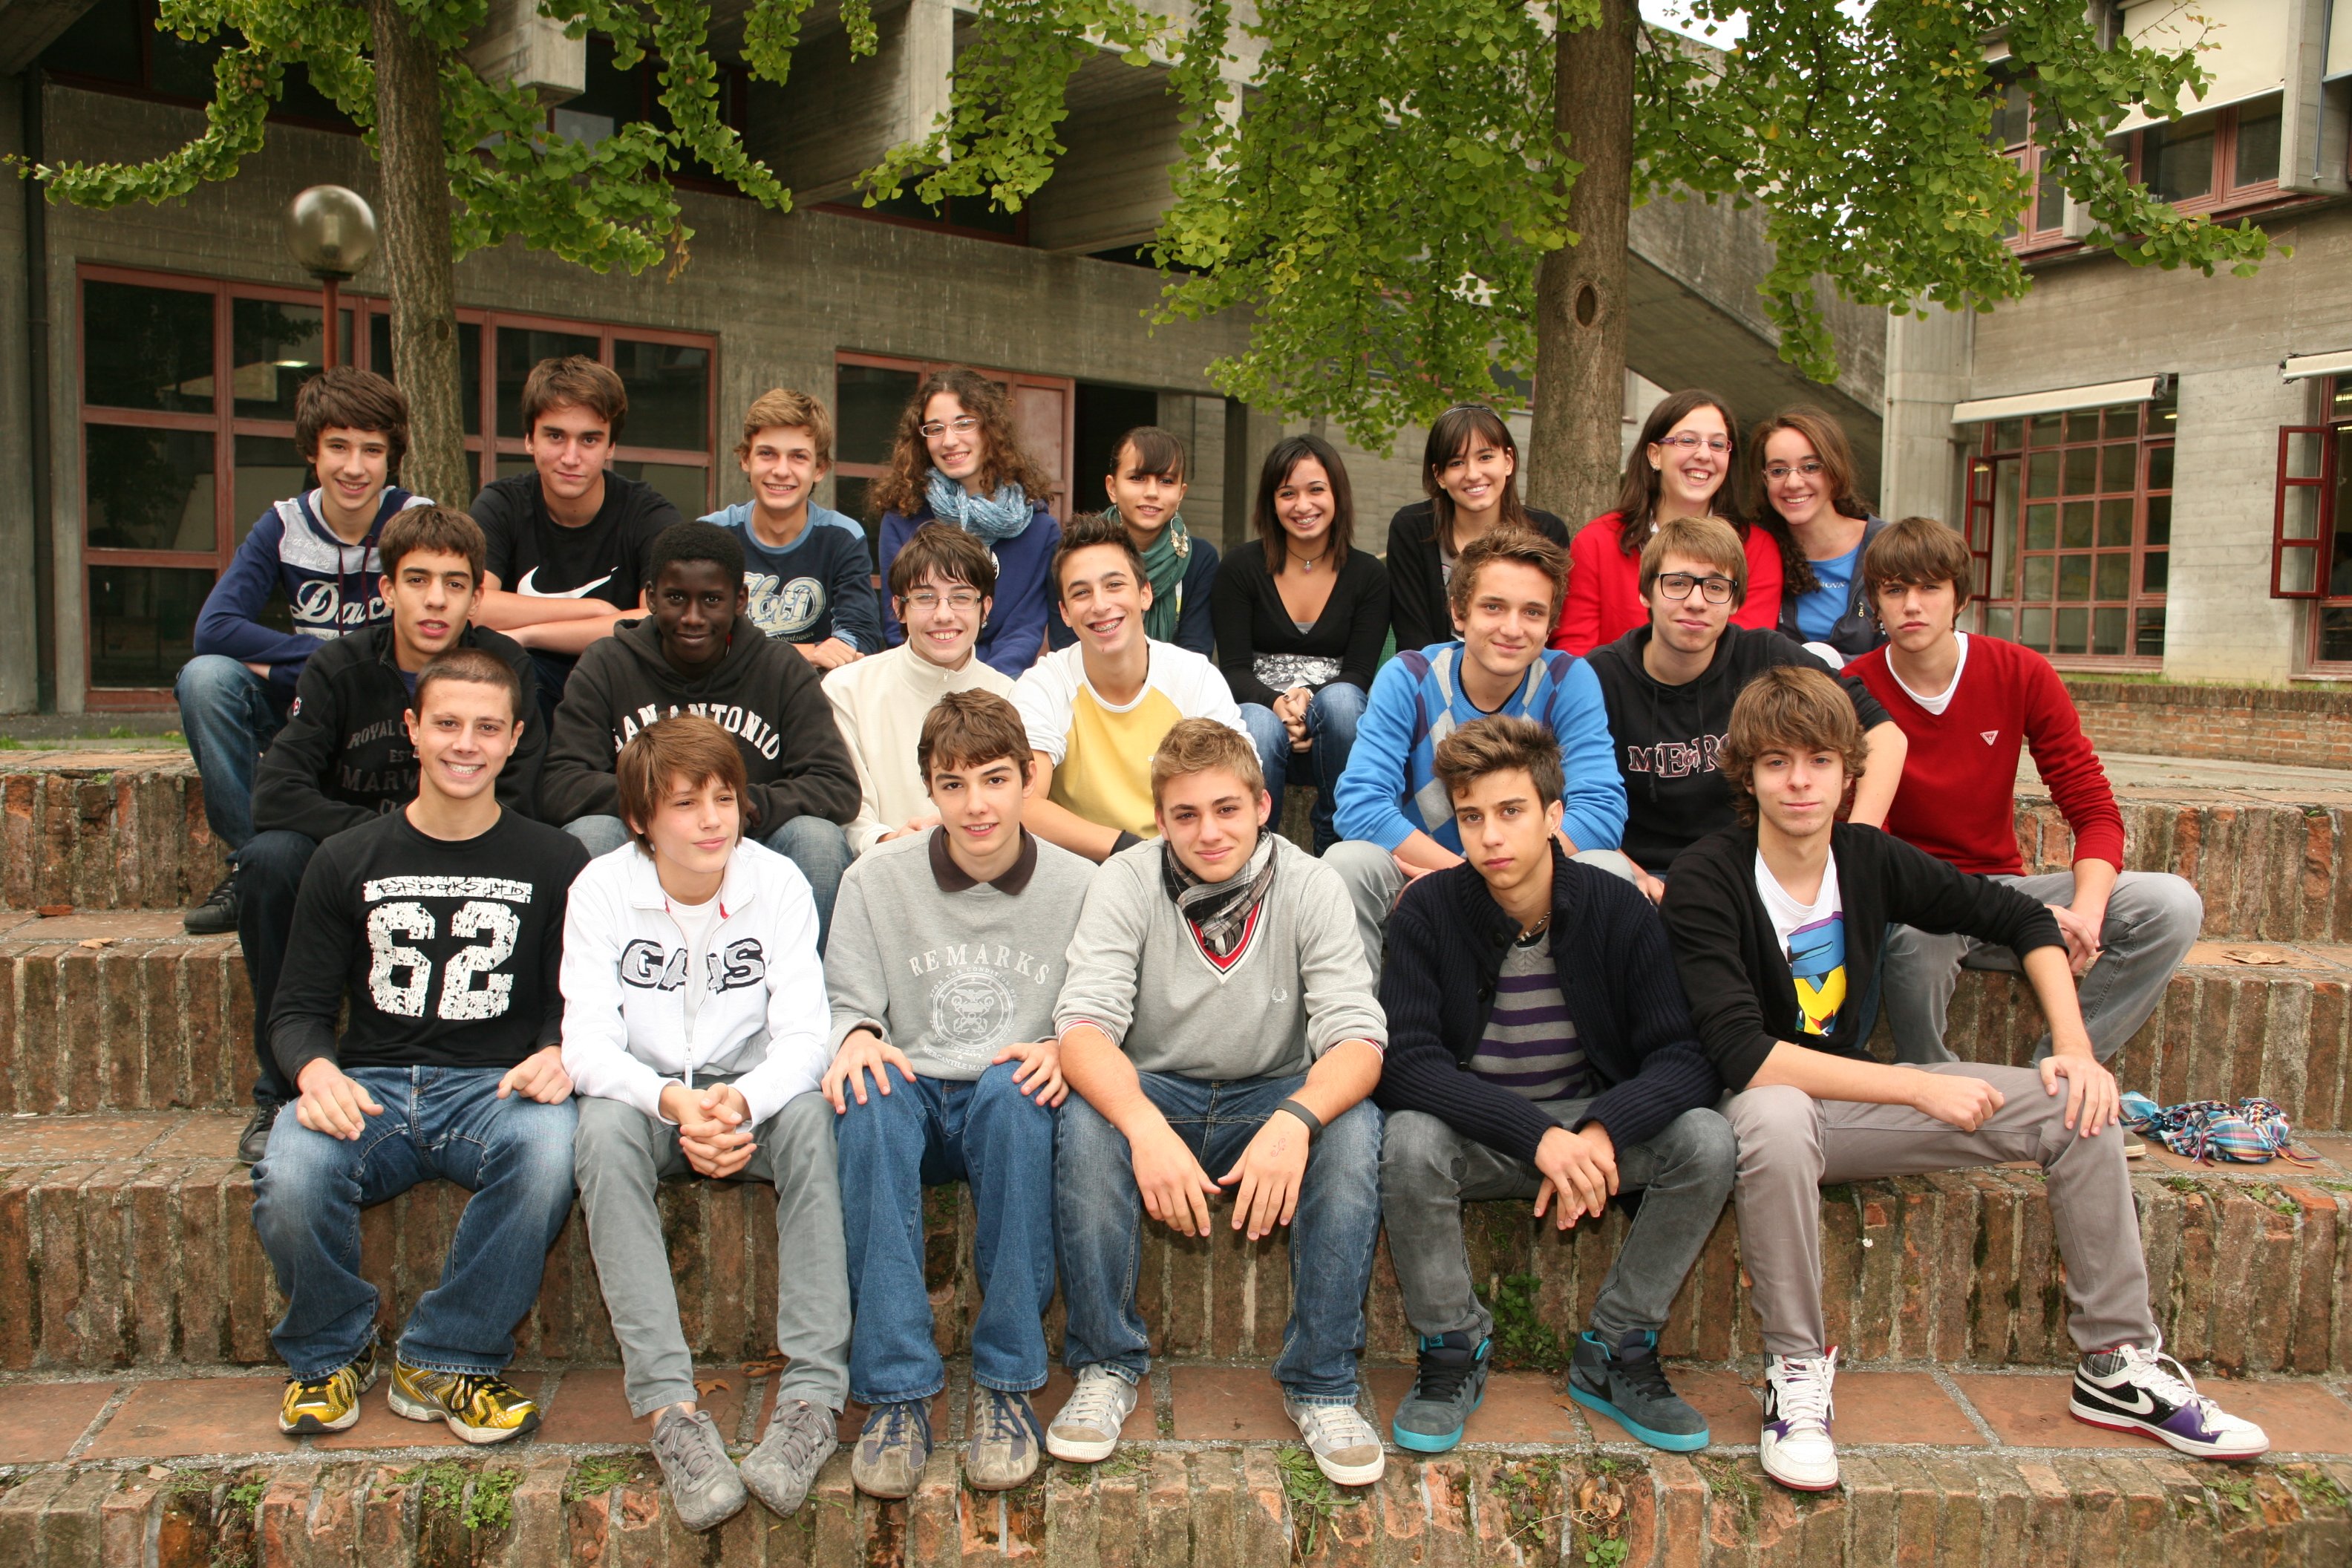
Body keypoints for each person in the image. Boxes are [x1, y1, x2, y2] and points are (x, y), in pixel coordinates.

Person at [1659, 666, 2266, 1491]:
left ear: (1848, 771)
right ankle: (1795, 1375)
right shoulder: (1708, 876)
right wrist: (1918, 1085)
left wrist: (2074, 1046)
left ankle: (2117, 1363)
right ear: (1747, 775)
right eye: (1776, 763)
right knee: (1774, 1112)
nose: (1799, 782)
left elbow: (2020, 916)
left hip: (1848, 1107)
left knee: (2077, 1104)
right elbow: (1742, 1053)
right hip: (1753, 1107)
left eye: (1818, 761)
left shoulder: (1866, 857)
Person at [249, 647, 588, 1446]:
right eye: (447, 724)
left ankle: (449, 1357)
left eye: (487, 728)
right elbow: (295, 1009)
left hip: (495, 1089)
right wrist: (314, 1069)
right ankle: (330, 1353)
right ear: (412, 728)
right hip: (368, 1086)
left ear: (515, 739)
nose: (466, 744)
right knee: (291, 1169)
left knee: (550, 1152)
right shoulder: (347, 857)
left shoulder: (557, 859)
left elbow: (571, 997)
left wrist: (558, 1049)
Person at [1375, 716, 1731, 1455]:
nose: (1491, 837)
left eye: (1511, 812)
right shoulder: (1428, 911)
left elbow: (1684, 1056)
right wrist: (1535, 1137)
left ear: (1553, 816)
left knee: (1707, 1138)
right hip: (1482, 1133)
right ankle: (1452, 1345)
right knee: (1407, 1141)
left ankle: (1618, 1346)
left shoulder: (1616, 908)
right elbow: (1407, 1064)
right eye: (1471, 818)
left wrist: (1601, 1129)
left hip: (1589, 1130)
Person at [1047, 719, 1390, 1486]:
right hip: (1158, 1088)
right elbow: (1083, 1028)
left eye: (1227, 809)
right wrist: (1143, 1126)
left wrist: (1296, 1121)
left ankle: (1323, 1383)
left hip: (1272, 1091)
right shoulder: (1126, 880)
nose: (1209, 832)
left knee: (1354, 1125)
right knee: (1086, 1116)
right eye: (1186, 814)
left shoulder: (1312, 885)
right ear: (1159, 820)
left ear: (1264, 805)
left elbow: (1359, 1041)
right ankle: (1105, 1365)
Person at [561, 715, 849, 1530]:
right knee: (600, 1132)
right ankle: (671, 1412)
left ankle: (812, 1401)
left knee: (814, 1121)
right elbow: (586, 1045)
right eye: (686, 804)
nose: (713, 820)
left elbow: (806, 1037)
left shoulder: (777, 882)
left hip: (754, 1091)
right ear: (640, 820)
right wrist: (673, 1102)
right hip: (652, 1098)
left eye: (724, 798)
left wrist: (741, 1101)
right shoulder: (602, 889)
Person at [821, 690, 1095, 1498]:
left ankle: (1008, 1382)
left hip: (1007, 1093)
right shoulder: (875, 879)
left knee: (1018, 1095)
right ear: (929, 790)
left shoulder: (1081, 885)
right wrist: (856, 1035)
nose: (976, 805)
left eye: (995, 779)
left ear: (1028, 780)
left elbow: (1106, 1003)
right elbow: (847, 1005)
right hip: (912, 1085)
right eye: (953, 784)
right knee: (866, 1100)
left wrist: (1065, 1046)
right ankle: (897, 1391)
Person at [237, 507, 544, 1163]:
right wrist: (379, 842)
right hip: (352, 865)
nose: (436, 600)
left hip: (474, 858)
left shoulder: (506, 669)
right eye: (417, 580)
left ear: (476, 597)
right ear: (387, 589)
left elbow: (521, 797)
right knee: (270, 859)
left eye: (454, 584)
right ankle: (283, 1085)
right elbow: (276, 792)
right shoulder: (339, 667)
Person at [1843, 517, 2201, 1068]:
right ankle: (1933, 1085)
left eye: (1930, 587)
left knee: (2171, 905)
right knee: (1915, 943)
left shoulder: (2020, 671)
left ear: (1960, 597)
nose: (1912, 605)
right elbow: (1873, 843)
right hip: (1916, 900)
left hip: (2005, 889)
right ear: (1875, 602)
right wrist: (1990, 907)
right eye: (1894, 590)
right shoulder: (1852, 688)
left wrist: (2084, 916)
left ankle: (2056, 1077)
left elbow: (2092, 805)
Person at [177, 367, 429, 935]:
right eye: (338, 447)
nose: (354, 467)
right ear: (312, 451)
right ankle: (251, 863)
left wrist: (321, 661)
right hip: (306, 708)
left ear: (391, 457)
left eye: (372, 450)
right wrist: (319, 660)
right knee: (206, 679)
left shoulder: (415, 520)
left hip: (392, 709)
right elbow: (215, 628)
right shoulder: (282, 525)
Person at [1325, 528, 1629, 973]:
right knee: (1348, 862)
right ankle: (1357, 1014)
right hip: (1423, 875)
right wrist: (1464, 879)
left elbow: (1601, 810)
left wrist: (1508, 876)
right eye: (1493, 607)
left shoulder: (1568, 679)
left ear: (1550, 624)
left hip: (1534, 883)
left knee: (1610, 869)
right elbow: (1361, 804)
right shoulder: (1410, 677)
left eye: (1532, 612)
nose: (1513, 628)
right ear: (1459, 611)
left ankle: (1584, 1014)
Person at [541, 521, 861, 944]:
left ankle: (806, 982)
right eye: (676, 598)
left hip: (747, 844)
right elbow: (561, 784)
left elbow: (836, 786)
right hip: (646, 846)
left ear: (740, 600)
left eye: (711, 600)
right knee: (592, 834)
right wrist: (665, 807)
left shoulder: (781, 668)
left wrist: (739, 805)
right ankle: (596, 976)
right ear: (651, 597)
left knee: (818, 841)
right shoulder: (608, 664)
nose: (692, 618)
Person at [1584, 517, 1907, 901]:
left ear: (1736, 601)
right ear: (1646, 593)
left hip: (1749, 871)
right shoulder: (1598, 677)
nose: (1696, 602)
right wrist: (1633, 874)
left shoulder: (1765, 656)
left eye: (1715, 587)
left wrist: (1859, 841)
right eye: (1677, 583)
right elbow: (1563, 795)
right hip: (1637, 874)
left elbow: (1885, 735)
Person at [1013, 512, 1245, 860]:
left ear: (1145, 594)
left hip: (1182, 861)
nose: (1100, 605)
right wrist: (1129, 851)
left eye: (1114, 585)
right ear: (1065, 612)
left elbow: (1237, 791)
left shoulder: (1193, 677)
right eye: (1081, 593)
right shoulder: (1046, 683)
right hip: (1081, 866)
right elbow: (1022, 803)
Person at [469, 356, 682, 720]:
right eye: (555, 436)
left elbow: (657, 622)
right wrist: (593, 611)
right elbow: (472, 605)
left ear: (611, 447)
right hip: (519, 687)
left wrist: (530, 634)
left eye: (589, 440)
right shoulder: (501, 505)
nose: (571, 457)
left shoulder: (648, 514)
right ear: (529, 439)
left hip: (620, 692)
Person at [1213, 434, 1390, 854]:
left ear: (1337, 494)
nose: (1303, 505)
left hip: (1337, 724)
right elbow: (1233, 669)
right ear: (1272, 502)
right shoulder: (1240, 568)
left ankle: (1336, 843)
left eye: (1316, 490)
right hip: (1260, 712)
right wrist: (1278, 705)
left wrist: (1310, 705)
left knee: (1343, 702)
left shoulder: (1368, 575)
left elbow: (1360, 672)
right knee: (1257, 723)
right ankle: (1259, 851)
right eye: (1287, 493)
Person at [825, 525, 1017, 853]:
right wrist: (889, 841)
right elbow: (847, 808)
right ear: (899, 607)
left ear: (985, 608)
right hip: (881, 863)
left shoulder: (1011, 696)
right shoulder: (847, 690)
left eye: (961, 598)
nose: (943, 615)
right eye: (925, 598)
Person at [1550, 390, 1783, 656]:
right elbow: (1575, 654)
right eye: (1688, 441)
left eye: (1718, 445)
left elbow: (1745, 654)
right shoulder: (1597, 542)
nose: (1704, 454)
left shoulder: (1757, 549)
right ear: (1655, 455)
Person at [872, 368, 1061, 679]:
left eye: (964, 424)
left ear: (991, 428)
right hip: (918, 679)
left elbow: (1023, 631)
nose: (949, 441)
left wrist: (982, 691)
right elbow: (899, 624)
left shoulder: (1039, 531)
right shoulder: (903, 518)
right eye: (935, 429)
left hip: (997, 687)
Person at [702, 388, 881, 670]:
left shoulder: (843, 537)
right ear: (745, 459)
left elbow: (860, 637)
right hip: (725, 689)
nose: (782, 470)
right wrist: (808, 652)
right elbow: (697, 637)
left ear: (820, 468)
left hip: (812, 689)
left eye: (798, 457)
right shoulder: (710, 535)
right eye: (767, 454)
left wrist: (744, 650)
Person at [1385, 405, 1569, 655]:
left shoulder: (1547, 531)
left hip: (1519, 669)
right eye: (1457, 463)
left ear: (1508, 461)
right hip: (1433, 672)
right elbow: (1413, 634)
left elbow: (1549, 626)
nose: (1473, 474)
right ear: (1439, 475)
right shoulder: (1412, 528)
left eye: (1485, 458)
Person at [1051, 425, 1218, 658]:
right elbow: (1065, 645)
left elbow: (1196, 652)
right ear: (1112, 487)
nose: (1152, 492)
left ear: (1181, 493)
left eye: (1166, 481)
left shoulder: (1199, 558)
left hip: (1173, 679)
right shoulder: (1075, 552)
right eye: (1137, 478)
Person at [1748, 408, 1886, 666]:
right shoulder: (1755, 551)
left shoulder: (1887, 545)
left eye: (1810, 467)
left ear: (1834, 471)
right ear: (1764, 479)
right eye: (1778, 471)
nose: (1793, 483)